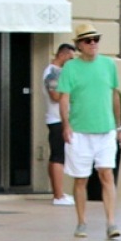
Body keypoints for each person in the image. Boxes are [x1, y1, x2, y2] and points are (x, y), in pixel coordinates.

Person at [58, 23, 121, 240]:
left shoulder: (108, 64)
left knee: (107, 174)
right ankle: (81, 222)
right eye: (88, 40)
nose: (93, 43)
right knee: (81, 179)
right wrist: (66, 125)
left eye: (95, 39)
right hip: (80, 131)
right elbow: (64, 99)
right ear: (79, 45)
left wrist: (119, 125)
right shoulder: (70, 68)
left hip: (106, 130)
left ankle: (111, 222)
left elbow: (114, 95)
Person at [42, 43, 76, 205]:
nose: (71, 61)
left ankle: (58, 192)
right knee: (58, 157)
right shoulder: (52, 73)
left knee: (57, 155)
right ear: (62, 55)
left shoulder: (59, 72)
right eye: (70, 57)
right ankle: (58, 195)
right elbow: (55, 96)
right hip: (57, 119)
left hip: (59, 119)